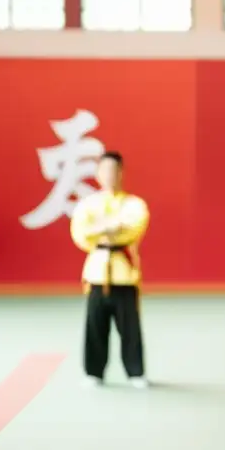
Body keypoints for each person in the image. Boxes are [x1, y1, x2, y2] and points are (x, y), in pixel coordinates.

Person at [69, 151, 150, 387]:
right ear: (97, 174)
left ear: (121, 173)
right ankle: (94, 371)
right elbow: (81, 232)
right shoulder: (88, 204)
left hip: (124, 272)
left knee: (130, 325)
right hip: (96, 271)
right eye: (104, 170)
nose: (109, 175)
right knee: (95, 323)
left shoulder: (134, 204)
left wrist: (101, 227)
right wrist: (111, 226)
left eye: (114, 170)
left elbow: (134, 226)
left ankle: (135, 371)